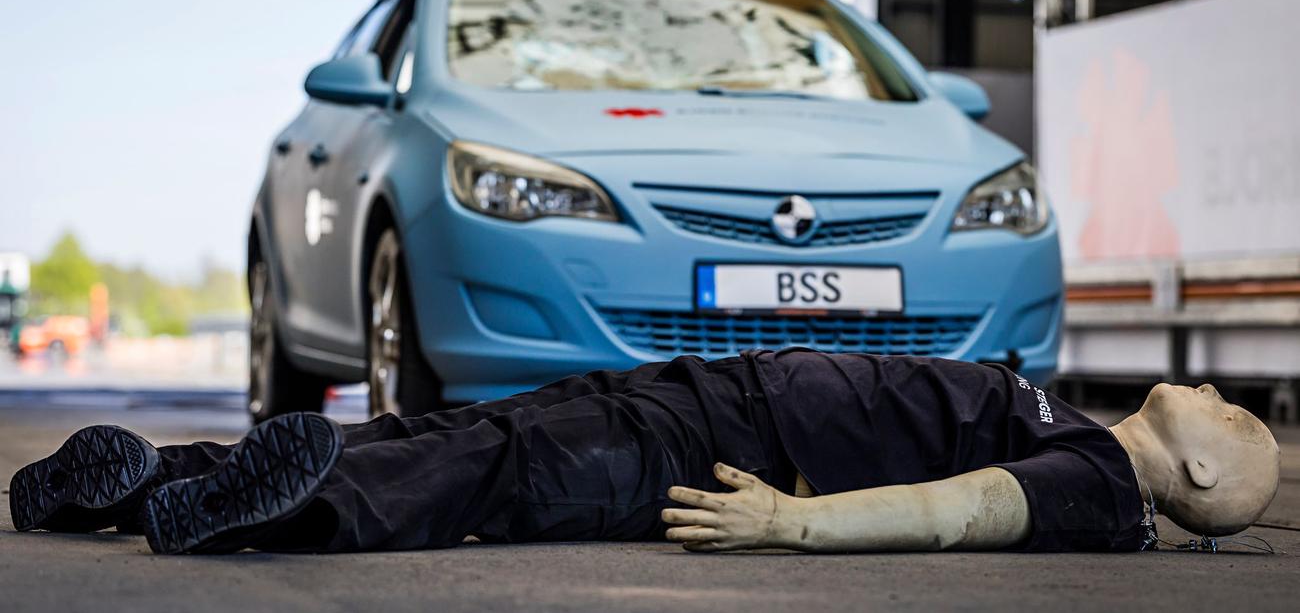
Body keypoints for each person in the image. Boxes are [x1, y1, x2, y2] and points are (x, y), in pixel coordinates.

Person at [9, 349, 1280, 555]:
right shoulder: (1073, 417)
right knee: (450, 431)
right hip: (701, 392)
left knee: (487, 474)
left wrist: (790, 525)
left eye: (1235, 415)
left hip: (721, 447)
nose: (1219, 392)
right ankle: (142, 481)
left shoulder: (1099, 487)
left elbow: (960, 511)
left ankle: (255, 512)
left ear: (1206, 476)